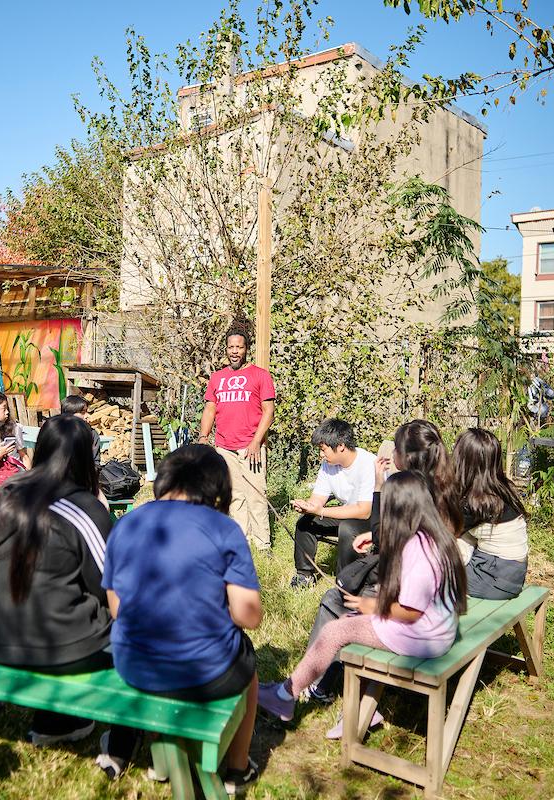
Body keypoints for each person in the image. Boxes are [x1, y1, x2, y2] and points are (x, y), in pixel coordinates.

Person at [0, 414, 137, 777]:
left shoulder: (6, 494)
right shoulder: (85, 508)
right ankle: (123, 738)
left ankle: (56, 721)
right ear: (85, 459)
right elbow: (108, 586)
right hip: (57, 647)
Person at [102, 445, 262, 794]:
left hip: (134, 665)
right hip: (204, 674)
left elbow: (116, 607)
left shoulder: (126, 522)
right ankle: (236, 768)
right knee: (249, 663)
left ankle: (152, 758)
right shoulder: (223, 529)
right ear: (218, 487)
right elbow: (248, 615)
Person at [257, 472, 466, 737]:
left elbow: (412, 611)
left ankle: (285, 695)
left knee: (336, 631)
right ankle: (362, 708)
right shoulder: (436, 536)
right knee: (352, 623)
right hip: (438, 629)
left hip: (424, 636)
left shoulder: (419, 550)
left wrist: (374, 607)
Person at [301, 418, 462, 704]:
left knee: (335, 600)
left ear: (406, 456)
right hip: (437, 596)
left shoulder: (409, 488)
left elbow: (389, 536)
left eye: (395, 449)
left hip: (415, 603)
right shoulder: (442, 486)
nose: (389, 454)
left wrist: (378, 488)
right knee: (344, 597)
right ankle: (322, 682)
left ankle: (316, 684)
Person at [199, 324, 276, 550]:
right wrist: (204, 437)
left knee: (256, 496)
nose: (234, 351)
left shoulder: (260, 375)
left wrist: (256, 442)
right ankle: (243, 541)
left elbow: (269, 412)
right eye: (231, 347)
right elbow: (210, 410)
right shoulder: (217, 378)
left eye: (239, 347)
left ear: (246, 349)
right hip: (224, 446)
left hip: (250, 446)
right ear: (226, 349)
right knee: (234, 496)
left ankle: (263, 545)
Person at [289, 419, 377, 589]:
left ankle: (346, 581)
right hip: (349, 514)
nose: (321, 455)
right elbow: (318, 499)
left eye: (323, 450)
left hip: (375, 519)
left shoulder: (368, 464)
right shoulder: (328, 465)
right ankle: (304, 575)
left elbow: (364, 511)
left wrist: (320, 510)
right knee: (305, 522)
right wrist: (308, 507)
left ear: (341, 446)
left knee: (347, 529)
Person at [453, 428, 529, 599]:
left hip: (492, 578)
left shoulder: (476, 502)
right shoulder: (503, 489)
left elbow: (444, 533)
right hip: (513, 575)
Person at [60, 393, 101, 463]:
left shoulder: (92, 434)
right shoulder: (56, 432)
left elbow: (95, 462)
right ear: (69, 414)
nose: (87, 416)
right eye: (82, 412)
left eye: (87, 412)